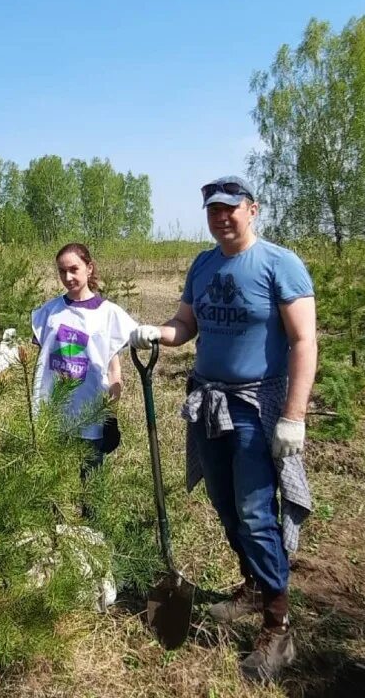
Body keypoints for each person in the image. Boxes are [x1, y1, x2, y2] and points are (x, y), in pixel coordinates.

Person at [129, 175, 316, 682]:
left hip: (257, 404)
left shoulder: (280, 264)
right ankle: (254, 584)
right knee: (223, 501)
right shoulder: (204, 264)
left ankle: (279, 626)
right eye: (213, 209)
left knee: (256, 513)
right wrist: (159, 332)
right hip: (209, 400)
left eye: (231, 208)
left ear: (252, 210)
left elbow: (304, 342)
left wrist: (293, 416)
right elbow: (187, 324)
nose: (221, 217)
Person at [31, 243, 137, 480]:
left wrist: (110, 415)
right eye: (61, 271)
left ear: (89, 268)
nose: (67, 277)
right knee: (51, 484)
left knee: (91, 484)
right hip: (53, 412)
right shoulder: (49, 312)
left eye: (74, 269)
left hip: (90, 414)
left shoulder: (109, 314)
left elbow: (114, 371)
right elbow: (36, 363)